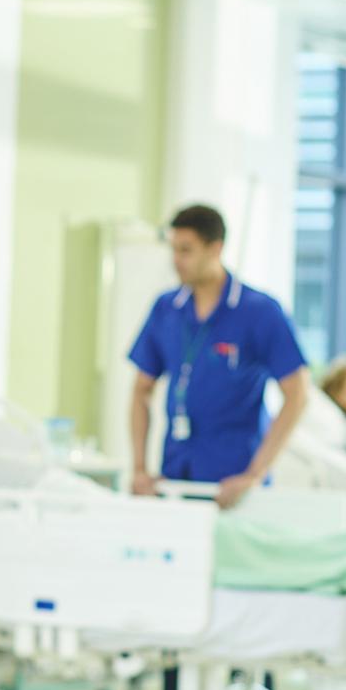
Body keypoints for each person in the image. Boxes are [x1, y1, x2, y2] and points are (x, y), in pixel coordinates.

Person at [127, 203, 310, 510]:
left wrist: (255, 473)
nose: (176, 261)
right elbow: (140, 391)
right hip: (175, 479)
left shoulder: (259, 312)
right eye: (173, 249)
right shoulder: (166, 309)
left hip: (234, 486)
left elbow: (298, 394)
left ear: (215, 249)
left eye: (186, 250)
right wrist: (139, 469)